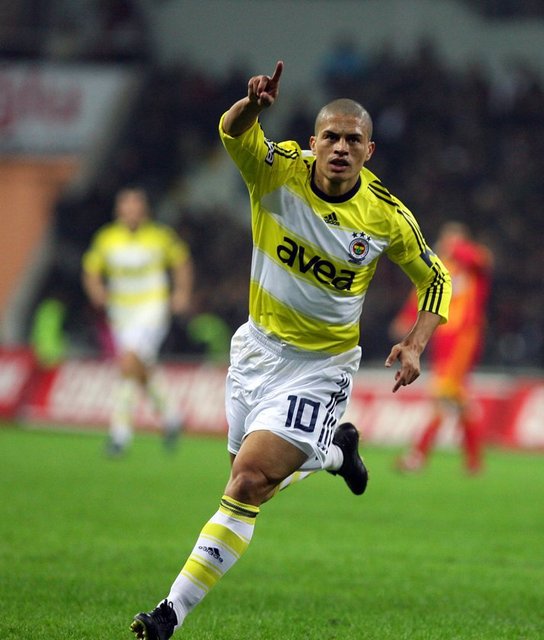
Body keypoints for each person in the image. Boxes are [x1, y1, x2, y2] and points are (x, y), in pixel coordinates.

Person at [130, 61, 451, 640]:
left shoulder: (386, 216)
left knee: (247, 483)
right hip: (255, 351)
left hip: (321, 368)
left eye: (353, 140)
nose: (340, 147)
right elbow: (232, 133)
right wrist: (252, 106)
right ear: (314, 141)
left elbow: (436, 279)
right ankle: (335, 454)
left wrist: (415, 342)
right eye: (331, 136)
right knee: (252, 482)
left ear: (369, 150)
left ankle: (168, 614)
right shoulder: (277, 170)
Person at [82, 186, 193, 455]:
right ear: (119, 210)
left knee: (129, 363)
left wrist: (182, 292)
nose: (131, 211)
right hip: (121, 313)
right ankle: (171, 417)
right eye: (127, 206)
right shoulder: (107, 238)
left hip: (151, 309)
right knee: (140, 367)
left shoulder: (159, 236)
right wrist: (96, 290)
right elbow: (91, 269)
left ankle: (120, 434)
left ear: (144, 210)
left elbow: (182, 262)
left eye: (136, 206)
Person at [393, 221, 493, 474]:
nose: (448, 245)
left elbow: (484, 260)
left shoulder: (472, 266)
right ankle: (474, 462)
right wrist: (407, 317)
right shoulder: (440, 268)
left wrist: (456, 247)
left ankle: (418, 456)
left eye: (454, 240)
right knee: (458, 399)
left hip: (463, 340)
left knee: (440, 395)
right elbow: (423, 293)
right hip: (442, 340)